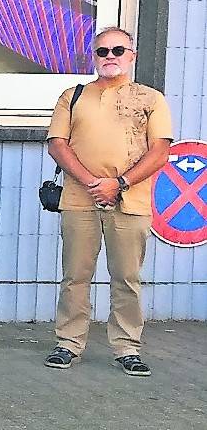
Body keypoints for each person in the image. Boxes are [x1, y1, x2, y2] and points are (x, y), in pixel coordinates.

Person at [43, 26, 172, 376]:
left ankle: (127, 347)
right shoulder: (73, 95)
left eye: (118, 50)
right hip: (79, 199)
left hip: (130, 201)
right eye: (102, 51)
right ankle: (67, 344)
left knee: (127, 277)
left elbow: (160, 150)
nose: (110, 57)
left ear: (132, 57)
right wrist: (91, 183)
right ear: (94, 57)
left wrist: (119, 183)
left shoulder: (150, 98)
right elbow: (57, 143)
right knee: (75, 276)